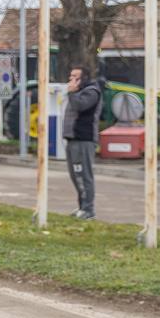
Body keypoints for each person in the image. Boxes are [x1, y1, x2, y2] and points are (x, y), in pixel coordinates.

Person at [62, 64, 102, 219]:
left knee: (83, 175)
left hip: (83, 140)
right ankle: (81, 206)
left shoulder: (91, 92)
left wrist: (72, 93)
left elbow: (80, 106)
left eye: (75, 77)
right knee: (75, 175)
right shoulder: (78, 92)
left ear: (84, 78)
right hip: (73, 139)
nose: (71, 80)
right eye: (70, 76)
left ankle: (88, 209)